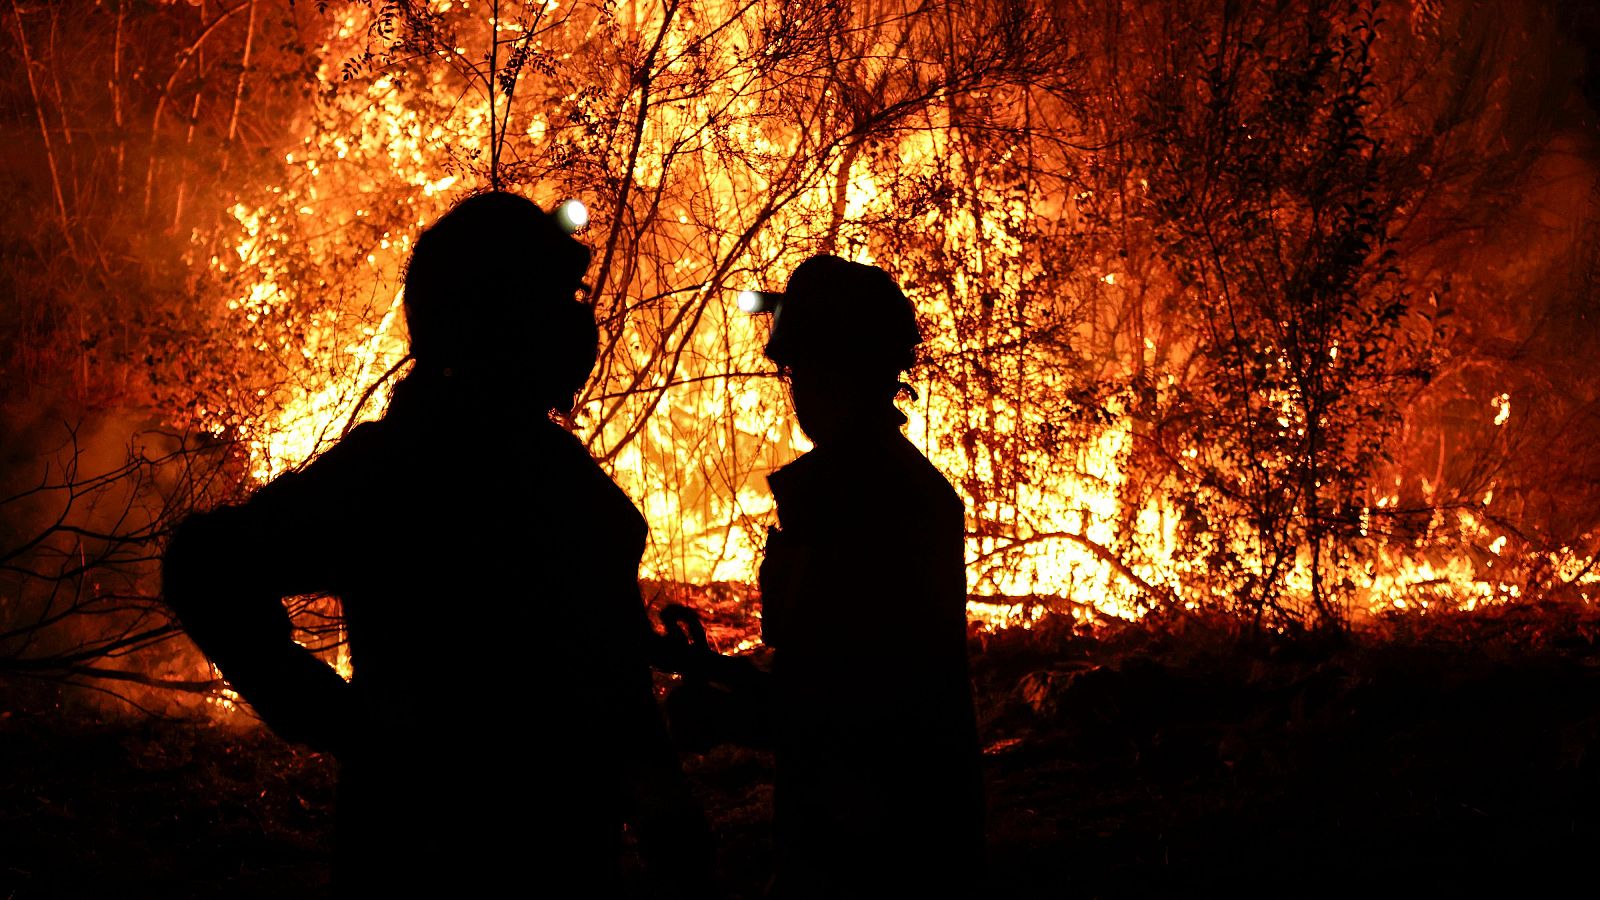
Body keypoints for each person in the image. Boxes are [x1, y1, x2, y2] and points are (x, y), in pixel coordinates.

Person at [162, 191, 712, 896]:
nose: (578, 319)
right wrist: (339, 721)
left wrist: (348, 728)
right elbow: (206, 565)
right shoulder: (402, 473)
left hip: (524, 855)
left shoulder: (519, 478)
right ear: (497, 318)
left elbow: (614, 688)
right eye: (556, 298)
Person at [758, 255, 985, 897]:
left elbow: (846, 695)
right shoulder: (902, 485)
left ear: (829, 373)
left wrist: (729, 714)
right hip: (912, 830)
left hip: (869, 846)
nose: (796, 389)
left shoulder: (851, 497)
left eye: (799, 370)